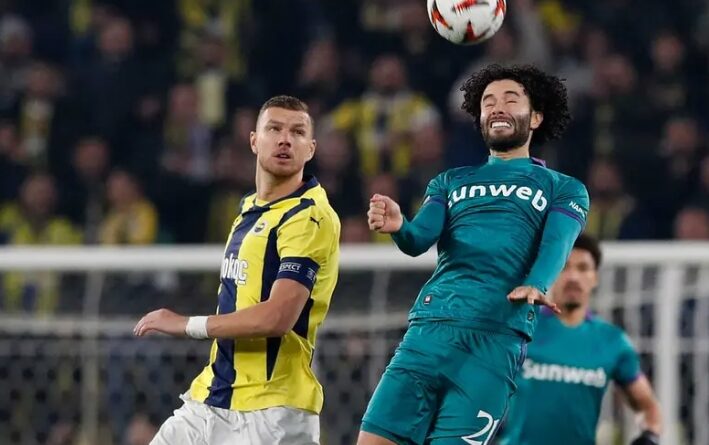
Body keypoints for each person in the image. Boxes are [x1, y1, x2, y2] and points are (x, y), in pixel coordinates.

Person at [360, 64, 590, 445]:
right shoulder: (449, 181)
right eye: (488, 102)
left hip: (494, 339)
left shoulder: (563, 188)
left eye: (510, 100)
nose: (497, 107)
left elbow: (558, 242)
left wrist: (537, 282)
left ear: (535, 117)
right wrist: (399, 226)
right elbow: (418, 240)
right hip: (428, 330)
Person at [133, 95, 341, 445]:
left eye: (297, 132)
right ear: (254, 141)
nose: (285, 139)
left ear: (311, 149)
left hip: (272, 411)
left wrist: (187, 325)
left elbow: (277, 317)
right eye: (274, 129)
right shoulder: (248, 209)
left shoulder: (309, 216)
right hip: (212, 397)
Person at [497, 234, 662, 445]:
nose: (573, 277)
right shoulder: (520, 328)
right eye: (564, 267)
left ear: (595, 278)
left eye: (583, 268)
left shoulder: (613, 342)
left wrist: (649, 436)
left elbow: (648, 408)